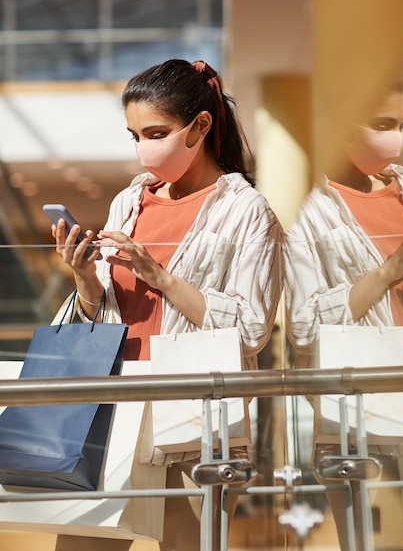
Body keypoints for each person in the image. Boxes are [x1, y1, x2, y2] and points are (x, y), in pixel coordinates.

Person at [50, 58, 284, 551]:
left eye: (155, 133)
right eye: (133, 136)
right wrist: (85, 278)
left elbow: (251, 327)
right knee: (81, 545)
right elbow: (105, 313)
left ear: (201, 125)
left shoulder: (247, 212)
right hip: (114, 409)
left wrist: (160, 277)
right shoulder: (128, 203)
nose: (142, 151)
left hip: (192, 414)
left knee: (187, 544)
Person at [283, 78, 403, 551]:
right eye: (384, 124)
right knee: (377, 545)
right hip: (365, 411)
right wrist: (391, 270)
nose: (397, 138)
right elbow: (304, 324)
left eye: (402, 124)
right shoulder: (304, 209)